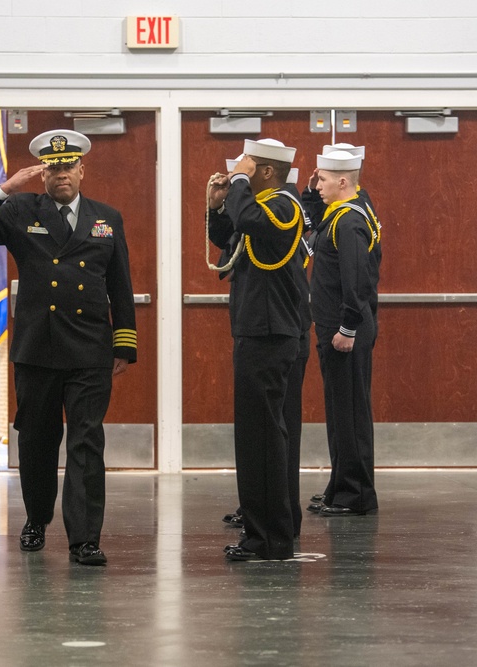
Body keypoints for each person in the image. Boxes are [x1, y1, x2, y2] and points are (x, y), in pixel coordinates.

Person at [0, 129, 137, 566]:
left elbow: (120, 285)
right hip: (37, 348)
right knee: (37, 439)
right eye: (53, 168)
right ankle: (37, 517)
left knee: (86, 441)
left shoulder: (106, 217)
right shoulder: (19, 210)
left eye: (68, 167)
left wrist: (124, 343)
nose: (61, 175)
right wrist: (4, 188)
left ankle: (85, 539)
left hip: (89, 348)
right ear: (43, 174)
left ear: (81, 170)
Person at [205, 138, 308, 561]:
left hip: (269, 334)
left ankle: (269, 539)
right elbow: (229, 237)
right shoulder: (262, 210)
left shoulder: (284, 205)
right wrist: (216, 206)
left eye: (245, 167)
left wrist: (241, 185)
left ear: (265, 172)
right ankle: (265, 530)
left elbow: (249, 217)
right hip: (257, 330)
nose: (235, 174)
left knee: (262, 439)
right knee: (256, 437)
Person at [301, 144, 383, 511]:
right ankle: (342, 486)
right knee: (340, 410)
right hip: (336, 329)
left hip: (344, 332)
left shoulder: (349, 221)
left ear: (343, 181)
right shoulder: (346, 211)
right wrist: (310, 195)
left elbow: (357, 279)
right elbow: (318, 232)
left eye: (323, 179)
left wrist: (348, 327)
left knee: (349, 412)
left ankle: (356, 495)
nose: (317, 184)